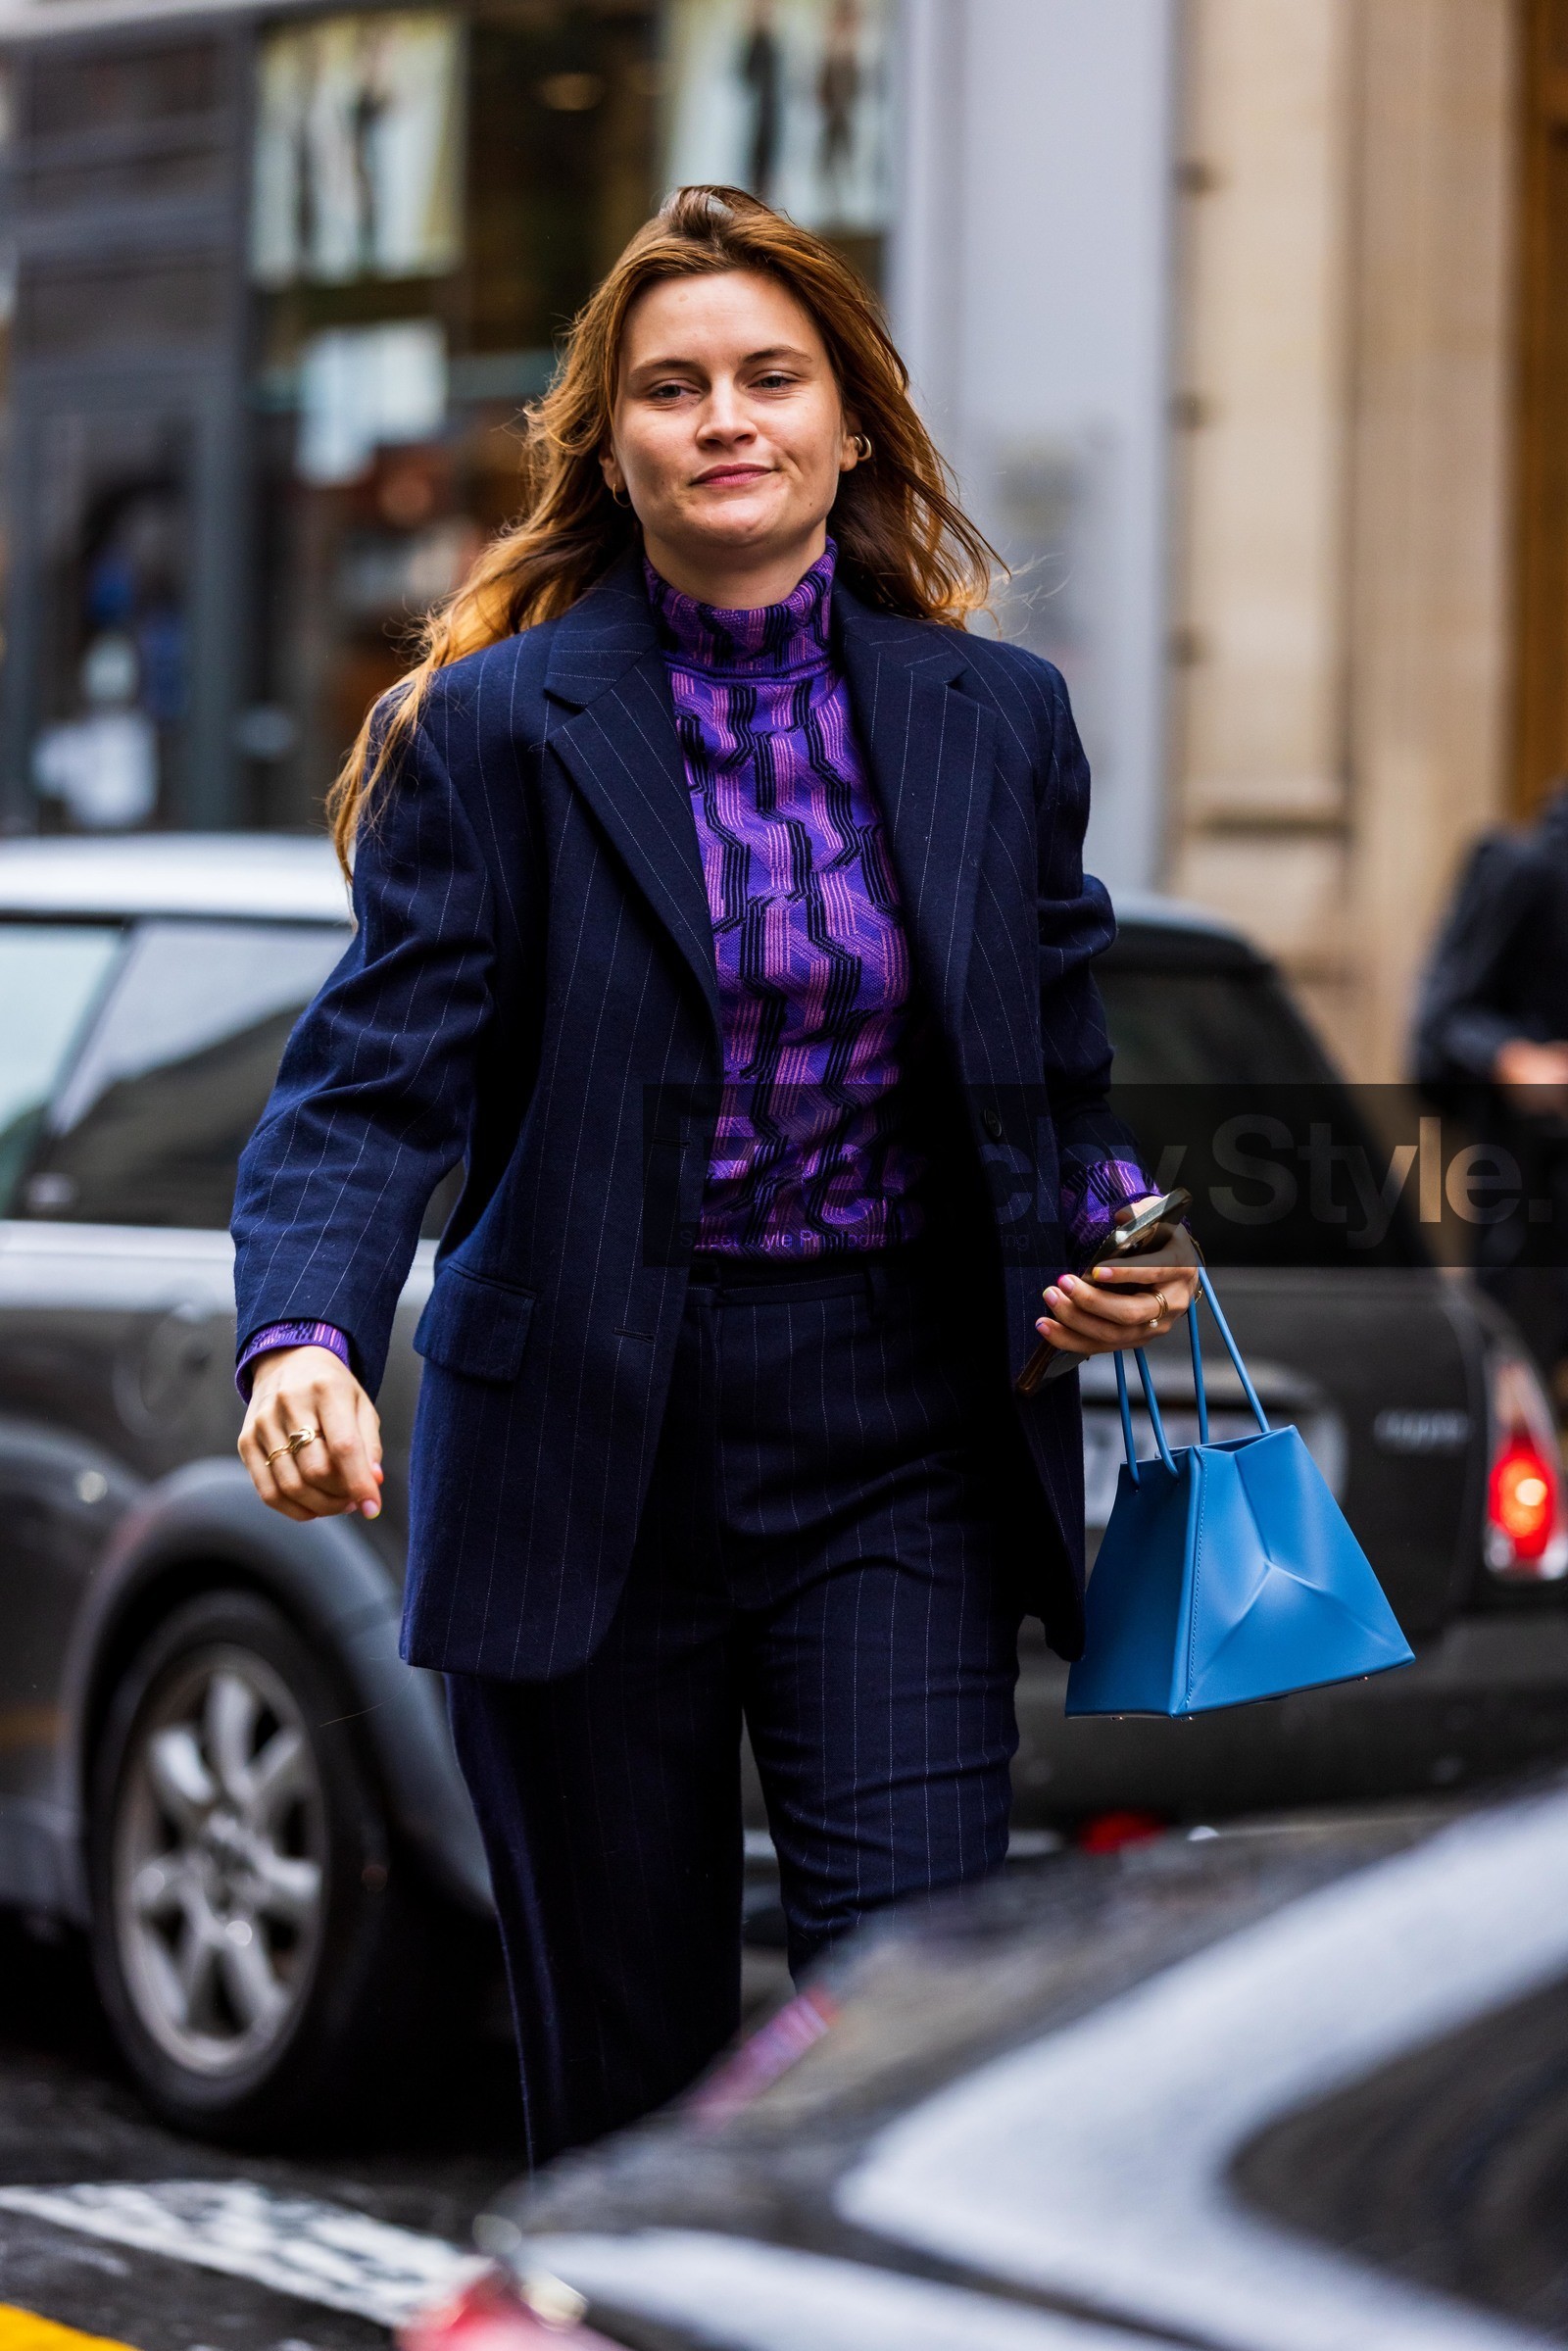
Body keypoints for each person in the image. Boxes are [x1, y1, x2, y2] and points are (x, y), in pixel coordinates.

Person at [230, 184, 1197, 2167]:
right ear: (609, 439)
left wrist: (1120, 1236)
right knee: (628, 2062)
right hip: (585, 1435)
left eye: (771, 375)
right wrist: (302, 1329)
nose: (723, 415)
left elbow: (1057, 1086)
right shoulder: (490, 729)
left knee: (902, 2013)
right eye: (670, 387)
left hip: (898, 1429)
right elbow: (368, 1081)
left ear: (851, 423)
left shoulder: (990, 717)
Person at [1414, 782, 1568, 1394]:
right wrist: (1518, 1060)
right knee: (1513, 1378)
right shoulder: (1527, 867)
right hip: (1535, 1191)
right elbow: (1442, 1021)